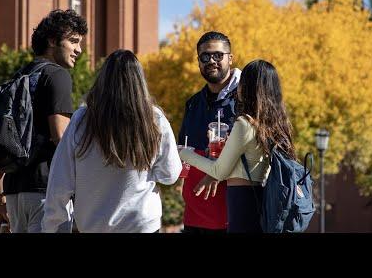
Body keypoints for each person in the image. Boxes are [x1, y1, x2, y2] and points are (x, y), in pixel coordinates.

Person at [41, 49, 182, 233]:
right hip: (141, 223)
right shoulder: (154, 119)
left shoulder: (82, 120)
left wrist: (51, 225)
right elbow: (170, 174)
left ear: (102, 80)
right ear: (139, 82)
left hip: (94, 225)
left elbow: (60, 181)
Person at [0, 9, 87, 233]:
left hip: (13, 194)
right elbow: (61, 138)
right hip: (46, 192)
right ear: (53, 40)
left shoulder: (17, 77)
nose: (78, 49)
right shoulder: (57, 75)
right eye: (73, 41)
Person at [180, 59, 295, 233]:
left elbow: (219, 171)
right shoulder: (275, 123)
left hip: (241, 200)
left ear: (247, 87)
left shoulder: (244, 123)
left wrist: (184, 153)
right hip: (260, 198)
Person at [178, 31, 241, 234]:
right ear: (198, 61)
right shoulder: (193, 103)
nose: (211, 61)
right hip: (196, 214)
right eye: (205, 56)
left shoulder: (248, 98)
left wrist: (218, 171)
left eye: (218, 55)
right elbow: (183, 150)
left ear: (230, 58)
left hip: (235, 213)